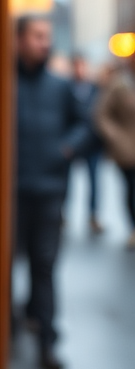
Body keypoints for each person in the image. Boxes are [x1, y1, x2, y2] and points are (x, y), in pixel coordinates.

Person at [15, 17, 89, 369]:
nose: (45, 43)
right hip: (10, 194)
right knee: (4, 263)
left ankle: (47, 340)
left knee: (43, 265)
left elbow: (85, 124)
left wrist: (66, 149)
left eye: (47, 37)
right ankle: (7, 330)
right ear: (19, 40)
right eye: (37, 36)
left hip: (48, 192)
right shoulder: (4, 82)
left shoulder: (60, 87)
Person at [94, 57, 135, 249]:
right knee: (133, 189)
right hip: (128, 149)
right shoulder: (120, 84)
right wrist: (115, 137)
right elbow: (101, 113)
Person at [71, 54, 104, 235]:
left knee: (94, 181)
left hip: (92, 143)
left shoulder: (96, 88)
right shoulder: (66, 87)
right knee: (67, 181)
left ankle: (93, 214)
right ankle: (63, 215)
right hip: (74, 143)